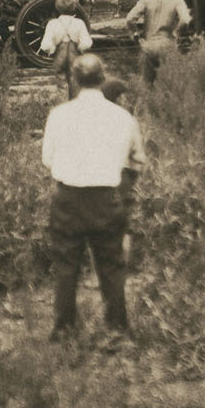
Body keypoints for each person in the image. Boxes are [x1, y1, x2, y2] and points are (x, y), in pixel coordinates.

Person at [41, 56, 141, 343]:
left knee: (66, 264)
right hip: (105, 198)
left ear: (74, 79)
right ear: (103, 77)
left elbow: (48, 159)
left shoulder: (58, 115)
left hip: (68, 198)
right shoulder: (123, 118)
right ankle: (117, 330)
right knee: (111, 264)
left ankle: (63, 329)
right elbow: (137, 160)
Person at [124, 0, 189, 85]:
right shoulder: (177, 0)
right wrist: (176, 33)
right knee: (168, 83)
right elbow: (185, 20)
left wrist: (135, 35)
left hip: (148, 45)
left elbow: (129, 19)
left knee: (146, 83)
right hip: (168, 44)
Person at [39, 0, 95, 79]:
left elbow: (45, 45)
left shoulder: (52, 24)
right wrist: (79, 48)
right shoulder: (79, 23)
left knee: (61, 81)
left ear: (57, 8)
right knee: (76, 79)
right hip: (76, 59)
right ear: (74, 8)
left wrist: (52, 50)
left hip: (59, 58)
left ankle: (62, 91)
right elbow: (87, 43)